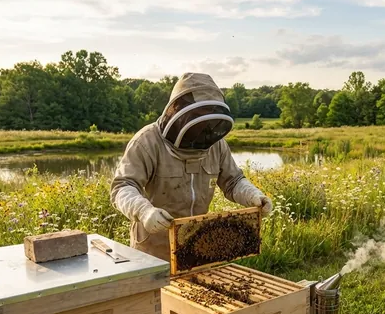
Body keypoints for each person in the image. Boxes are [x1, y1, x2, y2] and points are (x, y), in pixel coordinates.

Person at [110, 73, 272, 261]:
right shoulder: (146, 142)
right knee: (156, 291)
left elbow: (233, 181)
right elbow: (122, 187)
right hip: (152, 249)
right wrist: (144, 211)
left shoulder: (216, 144)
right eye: (196, 128)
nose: (200, 136)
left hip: (196, 247)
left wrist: (253, 195)